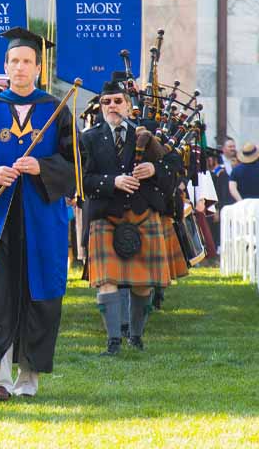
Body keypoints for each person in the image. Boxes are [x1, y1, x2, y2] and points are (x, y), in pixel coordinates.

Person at [0, 27, 75, 402]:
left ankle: (28, 380)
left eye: (27, 61)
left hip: (42, 220)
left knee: (37, 295)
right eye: (14, 61)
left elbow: (75, 165)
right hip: (0, 219)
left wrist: (44, 169)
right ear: (5, 66)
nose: (20, 68)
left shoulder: (57, 110)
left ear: (39, 68)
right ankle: (0, 382)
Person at [80, 77, 174, 357]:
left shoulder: (148, 132)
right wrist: (113, 182)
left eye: (117, 101)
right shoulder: (89, 138)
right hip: (105, 215)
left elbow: (175, 167)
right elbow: (82, 180)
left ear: (129, 105)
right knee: (106, 280)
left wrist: (154, 169)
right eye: (105, 101)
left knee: (143, 282)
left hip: (142, 213)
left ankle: (135, 336)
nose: (111, 106)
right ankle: (113, 341)